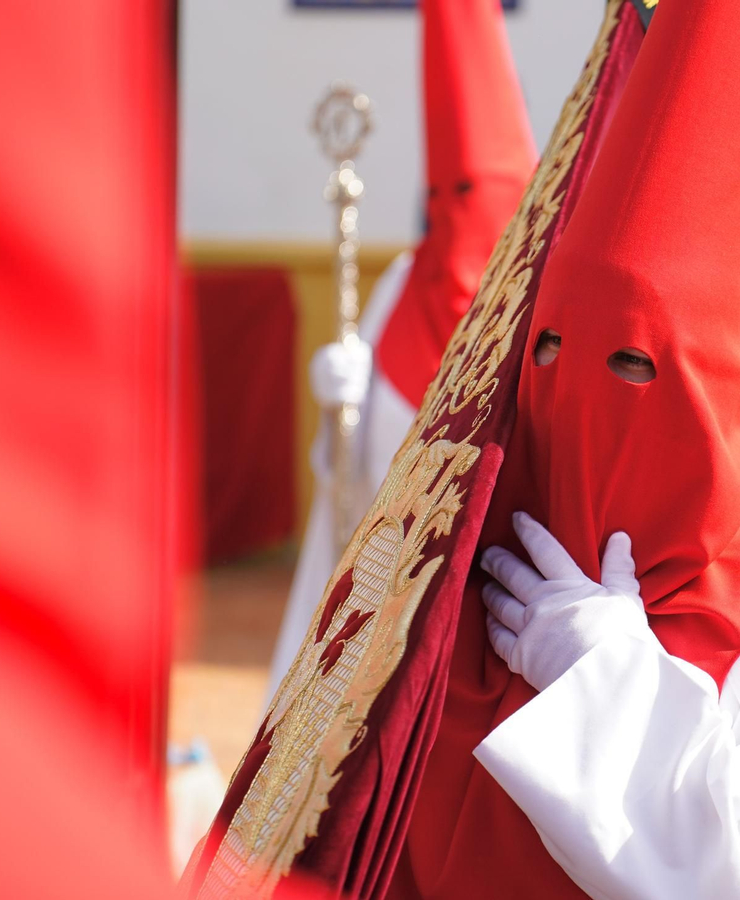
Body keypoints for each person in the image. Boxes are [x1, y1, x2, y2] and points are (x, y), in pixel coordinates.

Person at [391, 0, 740, 896]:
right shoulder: (489, 574)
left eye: (633, 364)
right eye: (550, 350)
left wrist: (610, 687)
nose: (582, 388)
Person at [266, 0, 536, 701]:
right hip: (376, 599)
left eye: (481, 198)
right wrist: (340, 403)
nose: (466, 220)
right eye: (451, 196)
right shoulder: (403, 284)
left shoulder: (546, 306)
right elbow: (345, 478)